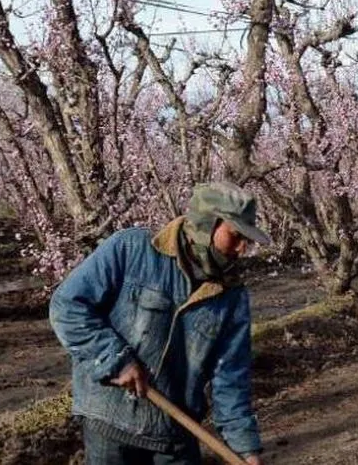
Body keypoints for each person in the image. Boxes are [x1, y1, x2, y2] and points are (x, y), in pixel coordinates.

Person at [50, 181, 268, 464]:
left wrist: (246, 450)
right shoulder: (130, 249)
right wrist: (115, 359)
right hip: (112, 421)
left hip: (176, 431)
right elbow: (67, 306)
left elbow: (231, 377)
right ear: (207, 224)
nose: (241, 249)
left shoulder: (231, 296)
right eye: (235, 236)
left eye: (246, 241)